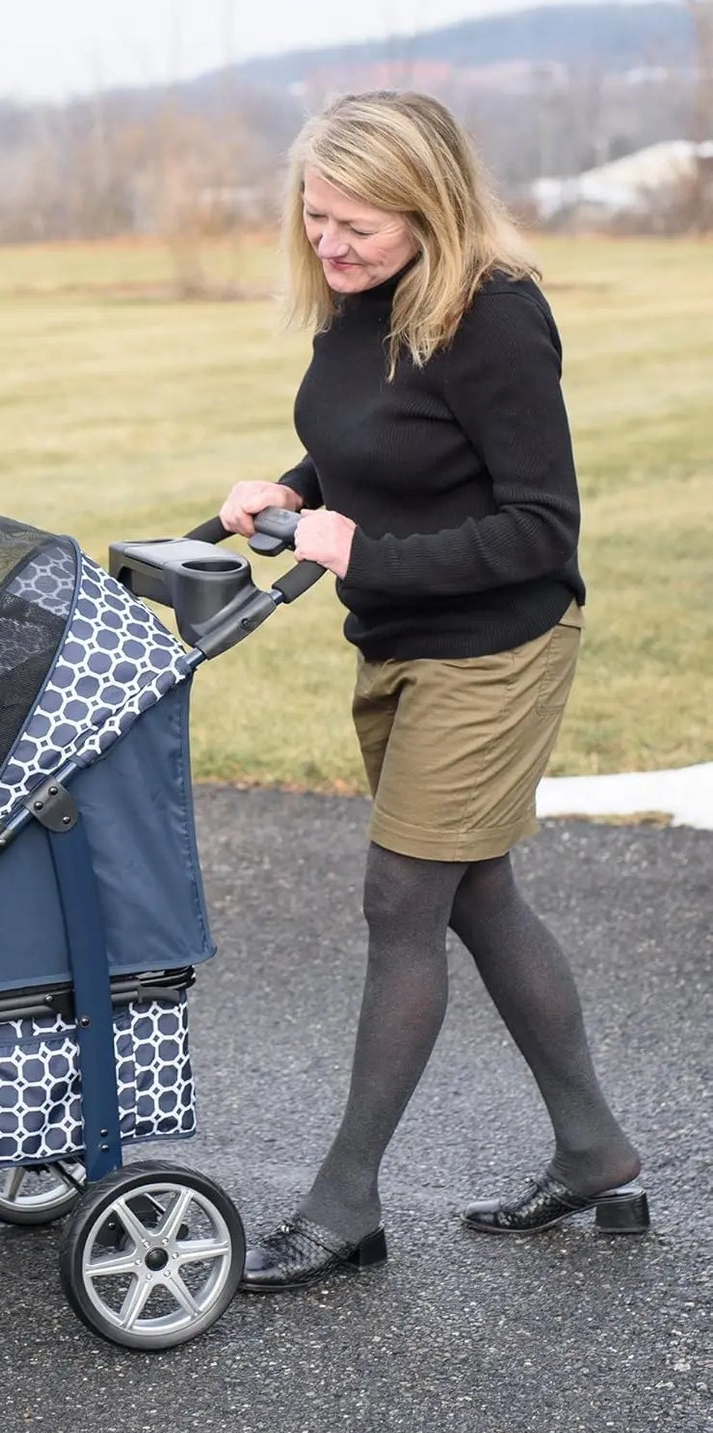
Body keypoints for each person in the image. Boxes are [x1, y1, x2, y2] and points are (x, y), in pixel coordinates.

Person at [221, 90, 647, 1293]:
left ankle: (341, 1202)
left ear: (432, 207)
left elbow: (538, 528)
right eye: (314, 218)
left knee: (400, 897)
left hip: (494, 642)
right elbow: (381, 444)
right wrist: (286, 491)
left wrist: (362, 552)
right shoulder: (359, 305)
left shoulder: (496, 317)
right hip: (401, 639)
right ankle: (593, 1150)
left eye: (355, 223)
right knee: (476, 899)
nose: (328, 244)